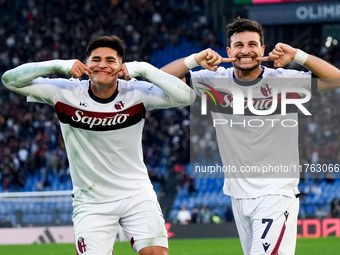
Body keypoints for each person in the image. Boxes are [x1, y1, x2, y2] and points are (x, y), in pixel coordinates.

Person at [2, 35, 195, 255]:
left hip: (136, 194)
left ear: (121, 66)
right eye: (96, 59)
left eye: (111, 60)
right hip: (91, 202)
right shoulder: (65, 91)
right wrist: (58, 65)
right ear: (85, 64)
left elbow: (187, 97)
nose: (102, 64)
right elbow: (9, 80)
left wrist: (143, 68)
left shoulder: (136, 92)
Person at [162, 17, 340, 255]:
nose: (245, 51)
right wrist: (194, 60)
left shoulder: (284, 81)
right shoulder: (214, 81)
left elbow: (336, 78)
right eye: (239, 45)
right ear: (228, 51)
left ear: (262, 49)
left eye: (252, 44)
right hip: (238, 195)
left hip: (276, 192)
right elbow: (160, 80)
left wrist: (297, 55)